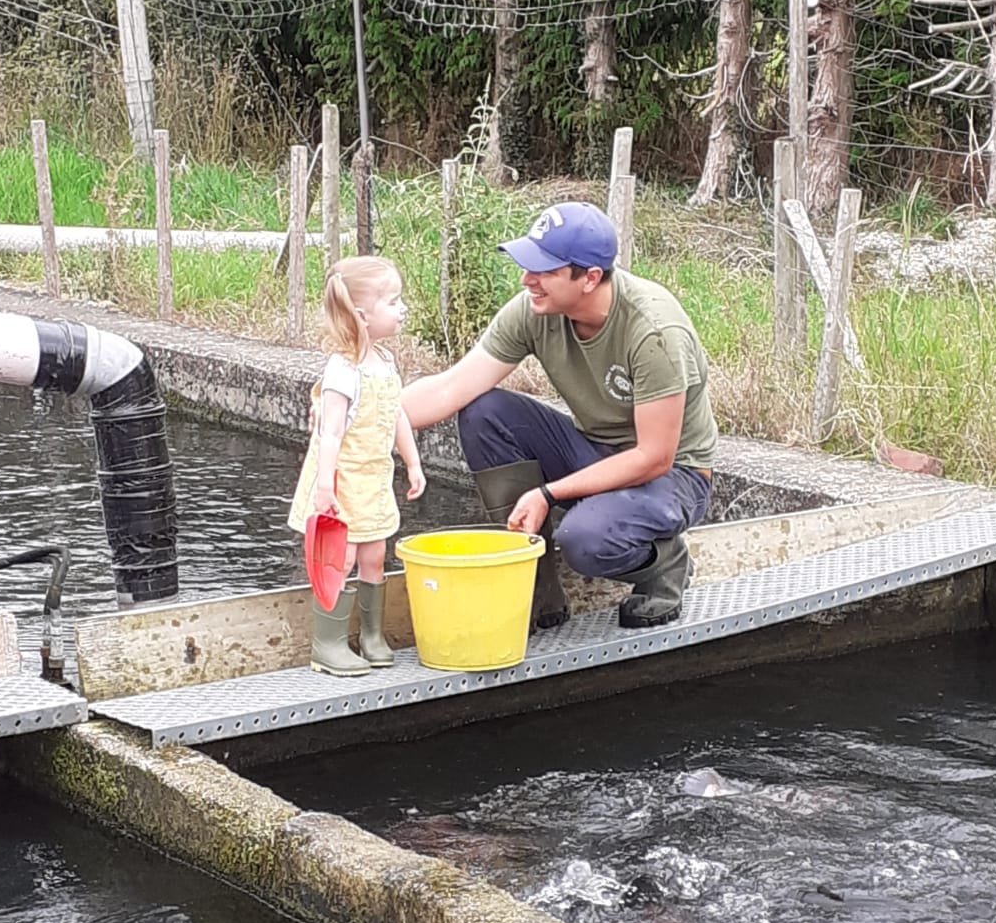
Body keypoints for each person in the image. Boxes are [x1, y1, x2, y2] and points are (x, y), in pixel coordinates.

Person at [401, 200, 717, 630]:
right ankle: (536, 590)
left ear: (588, 278)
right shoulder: (534, 310)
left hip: (671, 476)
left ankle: (664, 565)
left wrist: (547, 494)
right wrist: (360, 417)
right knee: (484, 411)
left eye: (545, 270)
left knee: (585, 540)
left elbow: (653, 457)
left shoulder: (654, 332)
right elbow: (451, 388)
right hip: (592, 451)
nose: (527, 280)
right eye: (528, 265)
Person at [289, 256, 425, 675]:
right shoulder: (342, 370)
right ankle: (327, 644)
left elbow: (395, 413)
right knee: (339, 557)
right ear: (362, 316)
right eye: (393, 301)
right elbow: (330, 434)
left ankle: (371, 635)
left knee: (374, 553)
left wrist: (413, 462)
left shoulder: (384, 362)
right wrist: (325, 487)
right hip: (342, 479)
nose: (402, 309)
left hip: (373, 478)